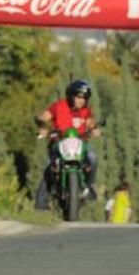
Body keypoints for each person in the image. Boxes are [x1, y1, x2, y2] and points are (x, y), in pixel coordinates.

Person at [34, 79, 101, 210]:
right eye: (79, 97)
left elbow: (90, 123)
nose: (82, 101)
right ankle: (41, 204)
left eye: (84, 98)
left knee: (93, 157)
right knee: (49, 167)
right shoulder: (58, 106)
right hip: (59, 142)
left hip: (80, 144)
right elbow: (44, 117)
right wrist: (42, 125)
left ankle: (89, 186)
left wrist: (94, 129)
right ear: (71, 96)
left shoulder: (86, 110)